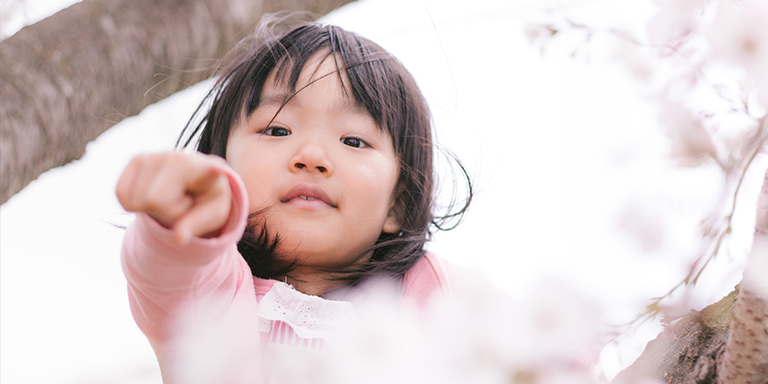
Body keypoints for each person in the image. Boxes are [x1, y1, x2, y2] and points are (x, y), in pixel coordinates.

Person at [117, 21, 472, 383]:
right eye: (277, 130)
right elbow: (174, 270)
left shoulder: (437, 296)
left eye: (353, 140)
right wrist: (182, 217)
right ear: (222, 167)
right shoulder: (213, 296)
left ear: (397, 204)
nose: (312, 155)